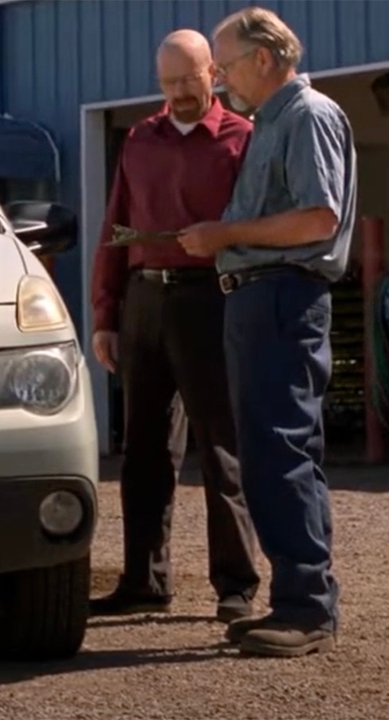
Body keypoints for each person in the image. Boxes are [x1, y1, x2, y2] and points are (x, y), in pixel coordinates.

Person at [179, 6, 356, 658]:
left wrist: (223, 234)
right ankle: (293, 601)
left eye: (224, 67)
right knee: (264, 455)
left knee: (282, 454)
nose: (220, 82)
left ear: (263, 57)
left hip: (283, 297)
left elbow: (316, 218)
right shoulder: (271, 123)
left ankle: (307, 609)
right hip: (259, 300)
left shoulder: (308, 117)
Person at [88, 29, 260, 624]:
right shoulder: (139, 139)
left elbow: (256, 230)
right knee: (144, 451)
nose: (181, 93)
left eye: (190, 79)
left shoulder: (244, 140)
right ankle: (144, 579)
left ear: (213, 73)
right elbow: (115, 227)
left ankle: (236, 587)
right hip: (144, 305)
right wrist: (105, 317)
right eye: (169, 83)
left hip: (212, 302)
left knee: (222, 449)